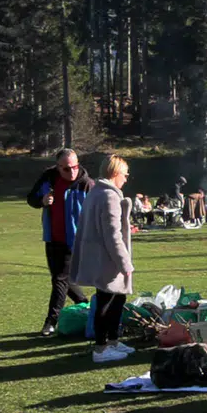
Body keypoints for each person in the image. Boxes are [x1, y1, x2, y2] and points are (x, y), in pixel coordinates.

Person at [70, 155, 135, 364]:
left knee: (117, 299)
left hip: (100, 255)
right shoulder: (109, 196)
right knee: (106, 302)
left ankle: (113, 341)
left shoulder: (96, 193)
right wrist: (125, 263)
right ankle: (101, 347)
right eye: (125, 174)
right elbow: (112, 234)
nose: (126, 178)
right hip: (107, 258)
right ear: (116, 173)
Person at [26, 148, 94, 337]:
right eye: (65, 169)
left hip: (76, 240)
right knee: (62, 278)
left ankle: (51, 321)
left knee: (60, 279)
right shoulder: (49, 178)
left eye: (74, 167)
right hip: (52, 238)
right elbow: (31, 199)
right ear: (58, 167)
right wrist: (42, 200)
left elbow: (98, 213)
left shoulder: (87, 185)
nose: (71, 172)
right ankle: (85, 304)